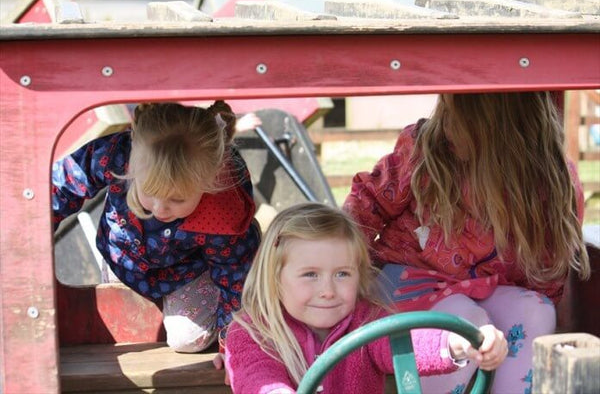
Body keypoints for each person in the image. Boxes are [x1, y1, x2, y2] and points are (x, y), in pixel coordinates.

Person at [343, 91, 591, 394]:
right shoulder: (425, 151)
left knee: (536, 311)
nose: (443, 123)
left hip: (482, 291)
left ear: (498, 124)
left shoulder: (551, 181)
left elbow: (547, 268)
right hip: (405, 282)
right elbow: (367, 204)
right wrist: (343, 271)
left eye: (454, 116)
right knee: (464, 320)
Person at [224, 203, 507, 394]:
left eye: (342, 274)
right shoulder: (252, 332)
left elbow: (407, 343)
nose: (328, 290)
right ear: (274, 277)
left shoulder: (366, 322)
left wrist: (458, 343)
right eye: (310, 274)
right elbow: (257, 378)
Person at [52, 101, 261, 355]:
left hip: (184, 271)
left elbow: (236, 277)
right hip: (123, 255)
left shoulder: (221, 212)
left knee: (187, 341)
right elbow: (62, 186)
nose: (160, 209)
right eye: (149, 191)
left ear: (210, 180)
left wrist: (233, 346)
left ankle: (206, 292)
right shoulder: (119, 154)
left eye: (178, 199)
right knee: (120, 325)